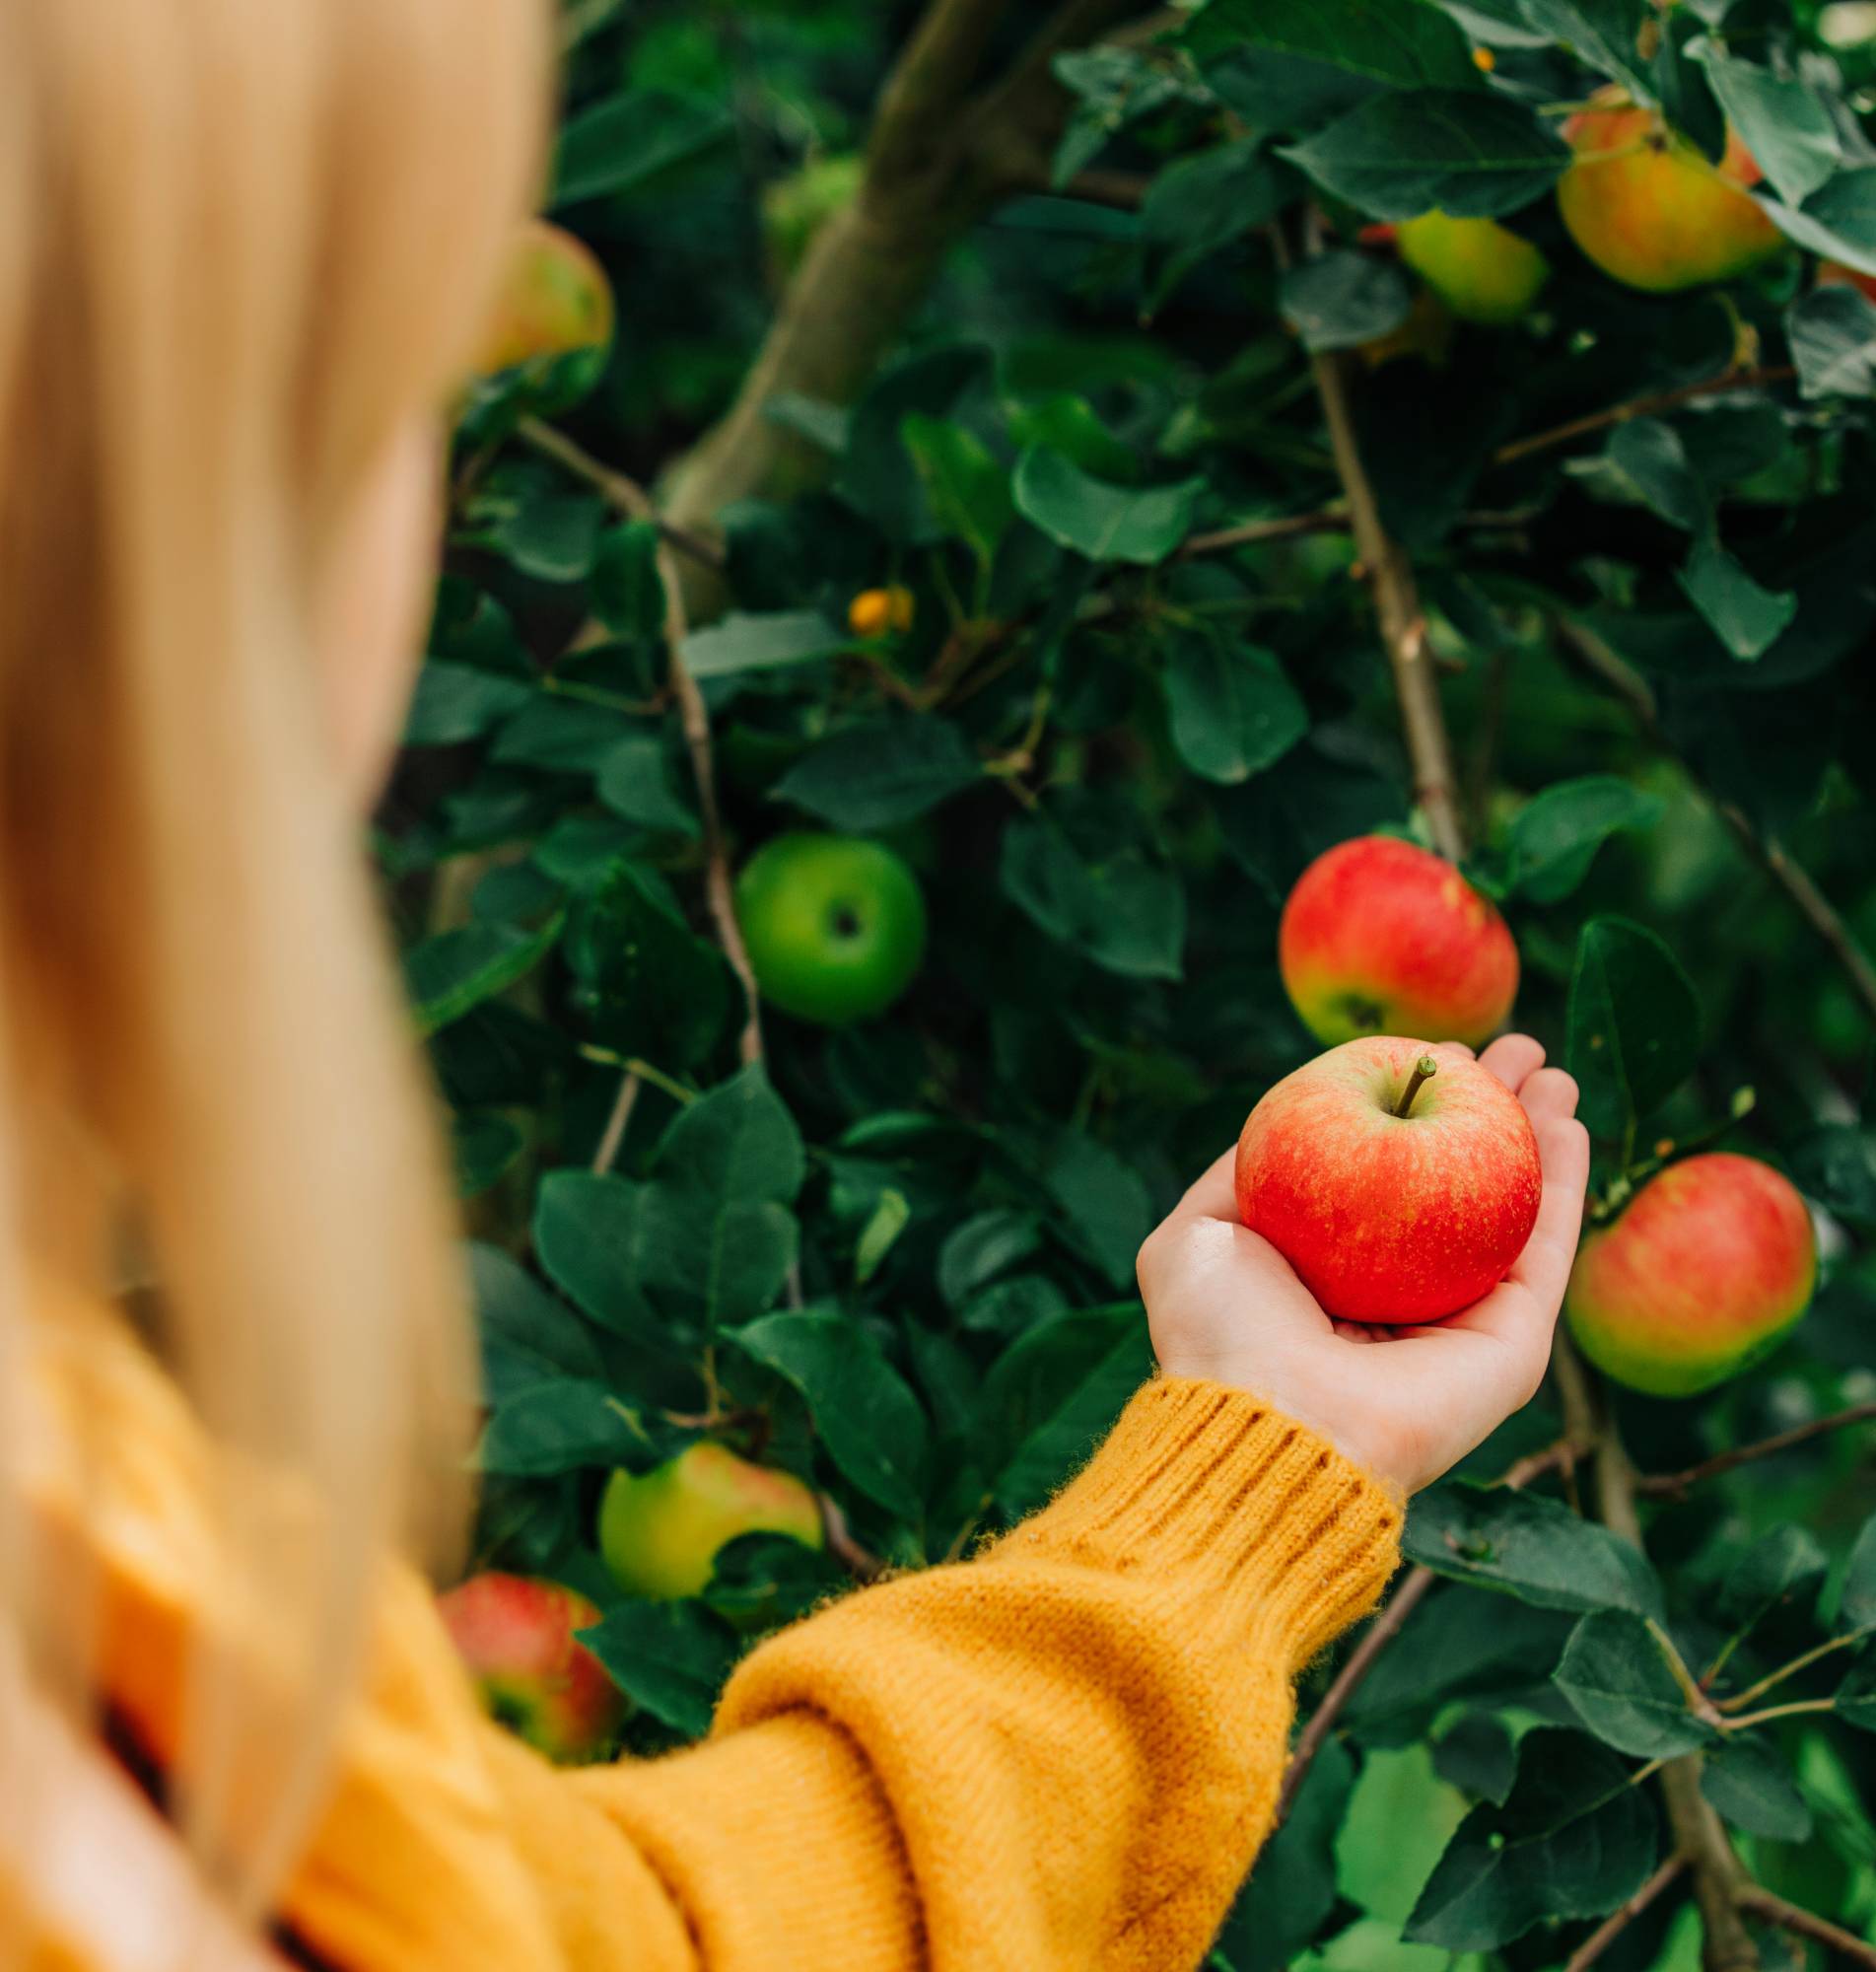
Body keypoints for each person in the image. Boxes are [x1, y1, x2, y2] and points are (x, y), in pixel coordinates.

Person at [0, 2, 1591, 1967]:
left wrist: (1256, 1458)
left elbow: (623, 1935)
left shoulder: (95, 1572)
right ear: (139, 530)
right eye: (396, 384)